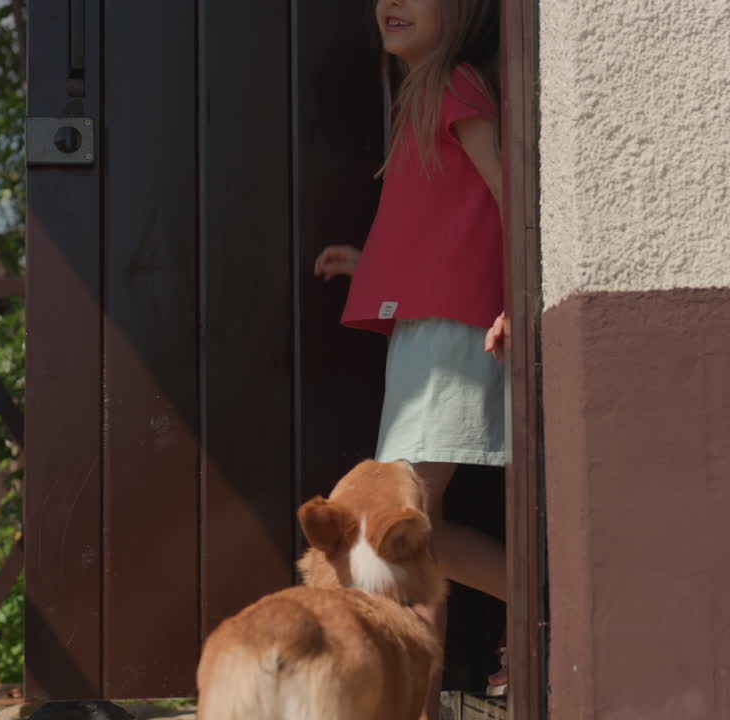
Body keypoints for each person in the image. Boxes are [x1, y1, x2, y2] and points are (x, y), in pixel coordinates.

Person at [313, 0, 509, 715]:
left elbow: (507, 190)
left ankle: (550, 600)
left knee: (398, 521)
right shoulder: (425, 94)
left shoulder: (455, 84)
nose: (391, 3)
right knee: (412, 531)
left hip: (454, 332)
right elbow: (444, 219)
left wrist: (518, 295)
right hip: (429, 330)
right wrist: (374, 265)